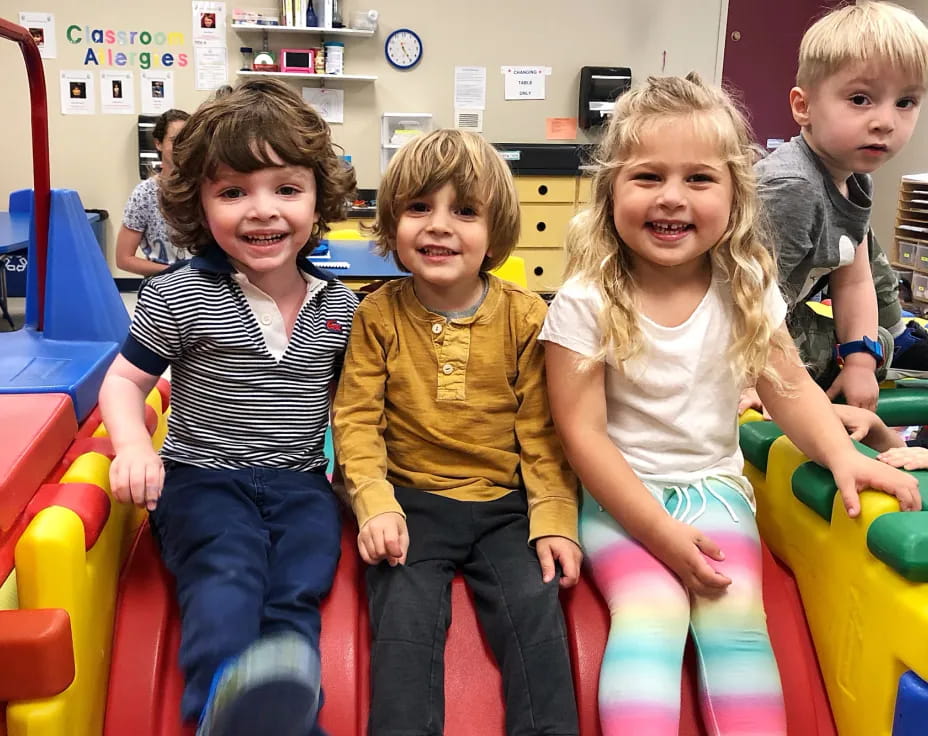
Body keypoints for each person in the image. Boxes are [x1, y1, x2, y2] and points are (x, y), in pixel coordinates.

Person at [540, 73, 921, 736]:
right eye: (647, 177)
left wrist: (841, 456)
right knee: (651, 609)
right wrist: (659, 534)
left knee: (738, 621)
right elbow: (584, 437)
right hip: (620, 498)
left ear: (735, 194)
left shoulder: (743, 285)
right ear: (610, 193)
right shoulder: (587, 299)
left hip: (714, 490)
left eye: (699, 179)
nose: (671, 199)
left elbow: (788, 387)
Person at [98, 78, 357, 736]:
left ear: (317, 198)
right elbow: (124, 382)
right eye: (233, 191)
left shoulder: (341, 307)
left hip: (301, 484)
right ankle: (220, 704)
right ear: (200, 204)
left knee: (299, 583)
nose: (261, 211)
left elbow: (354, 410)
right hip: (201, 479)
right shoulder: (181, 295)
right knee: (228, 570)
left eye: (286, 189)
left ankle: (285, 711)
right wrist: (131, 447)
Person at [332, 129, 581, 736]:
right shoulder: (375, 315)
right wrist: (374, 505)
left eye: (464, 211)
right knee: (403, 635)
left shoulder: (525, 316)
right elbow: (357, 420)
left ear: (494, 231)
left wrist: (554, 518)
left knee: (537, 622)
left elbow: (543, 433)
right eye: (419, 208)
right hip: (410, 503)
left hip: (504, 507)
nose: (439, 226)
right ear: (392, 225)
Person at [751, 0, 928, 412]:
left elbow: (854, 278)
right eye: (861, 99)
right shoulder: (793, 187)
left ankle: (888, 343)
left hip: (775, 317)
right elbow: (745, 299)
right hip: (733, 329)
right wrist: (755, 382)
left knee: (871, 348)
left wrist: (860, 359)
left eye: (905, 102)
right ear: (803, 107)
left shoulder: (854, 176)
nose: (885, 121)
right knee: (856, 354)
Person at [116, 109, 190, 276]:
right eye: (175, 140)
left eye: (188, 140)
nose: (182, 146)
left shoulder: (204, 188)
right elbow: (123, 258)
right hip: (163, 285)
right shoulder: (144, 194)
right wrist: (175, 273)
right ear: (158, 143)